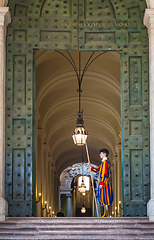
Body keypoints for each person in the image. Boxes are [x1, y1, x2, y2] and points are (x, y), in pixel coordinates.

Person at [88, 148, 113, 217]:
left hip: (105, 183)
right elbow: (97, 170)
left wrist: (102, 183)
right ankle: (104, 213)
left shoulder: (105, 163)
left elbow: (105, 174)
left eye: (101, 153)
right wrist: (90, 166)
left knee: (106, 198)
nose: (99, 155)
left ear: (104, 154)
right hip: (102, 183)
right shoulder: (102, 163)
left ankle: (106, 213)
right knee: (102, 197)